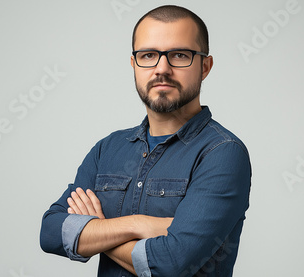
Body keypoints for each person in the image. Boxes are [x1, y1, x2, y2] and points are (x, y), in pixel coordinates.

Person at [40, 5, 252, 277]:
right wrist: (138, 224)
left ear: (205, 66)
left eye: (179, 55)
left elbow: (170, 264)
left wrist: (97, 230)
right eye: (149, 55)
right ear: (134, 64)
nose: (162, 69)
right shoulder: (108, 148)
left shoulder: (222, 153)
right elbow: (51, 233)